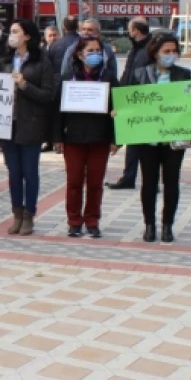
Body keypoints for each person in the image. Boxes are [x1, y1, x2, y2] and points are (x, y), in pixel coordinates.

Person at [0, 20, 57, 236]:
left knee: (30, 173)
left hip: (31, 124)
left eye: (15, 31)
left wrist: (24, 86)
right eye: (10, 32)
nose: (10, 35)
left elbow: (48, 95)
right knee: (14, 173)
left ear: (27, 36)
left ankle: (30, 214)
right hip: (7, 125)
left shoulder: (42, 62)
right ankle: (17, 214)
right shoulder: (3, 62)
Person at [54, 35, 118, 238]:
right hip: (73, 137)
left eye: (99, 51)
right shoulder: (67, 77)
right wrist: (57, 137)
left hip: (100, 137)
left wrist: (117, 139)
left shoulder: (108, 77)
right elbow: (57, 111)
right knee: (74, 182)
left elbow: (118, 109)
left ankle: (92, 220)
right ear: (80, 54)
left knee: (95, 183)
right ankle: (74, 221)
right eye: (90, 51)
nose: (95, 55)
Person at [132, 34, 191, 243]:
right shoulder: (140, 74)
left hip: (173, 139)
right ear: (155, 52)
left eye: (174, 51)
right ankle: (149, 224)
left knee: (171, 181)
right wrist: (120, 113)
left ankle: (168, 225)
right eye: (166, 51)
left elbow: (190, 101)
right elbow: (129, 102)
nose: (170, 55)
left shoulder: (184, 74)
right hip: (147, 139)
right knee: (148, 182)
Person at [107, 18, 153, 191]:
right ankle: (128, 177)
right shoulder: (138, 48)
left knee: (146, 144)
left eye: (129, 30)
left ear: (136, 31)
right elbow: (128, 72)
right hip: (129, 99)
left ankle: (150, 180)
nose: (128, 33)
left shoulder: (149, 49)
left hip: (142, 101)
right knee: (132, 141)